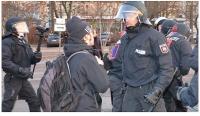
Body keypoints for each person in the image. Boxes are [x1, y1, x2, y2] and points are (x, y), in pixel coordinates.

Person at [114, 1, 174, 112]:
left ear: (140, 16)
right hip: (130, 91)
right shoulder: (125, 39)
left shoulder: (155, 37)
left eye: (129, 15)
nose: (125, 19)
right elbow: (118, 64)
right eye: (124, 16)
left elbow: (167, 68)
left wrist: (157, 90)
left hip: (149, 91)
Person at [64, 16, 109, 112]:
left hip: (71, 106)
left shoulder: (69, 55)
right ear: (84, 37)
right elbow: (103, 85)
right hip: (86, 108)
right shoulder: (86, 58)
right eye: (89, 33)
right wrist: (100, 65)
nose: (92, 35)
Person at [2, 17, 42, 112]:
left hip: (23, 79)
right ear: (13, 28)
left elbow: (30, 58)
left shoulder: (23, 41)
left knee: (35, 101)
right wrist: (21, 70)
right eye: (20, 26)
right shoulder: (6, 42)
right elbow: (4, 62)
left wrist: (36, 58)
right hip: (13, 80)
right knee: (7, 105)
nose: (23, 27)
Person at [161, 20, 193, 112]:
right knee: (179, 105)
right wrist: (181, 72)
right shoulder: (183, 42)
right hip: (174, 78)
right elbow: (186, 67)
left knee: (166, 103)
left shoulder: (164, 38)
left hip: (161, 77)